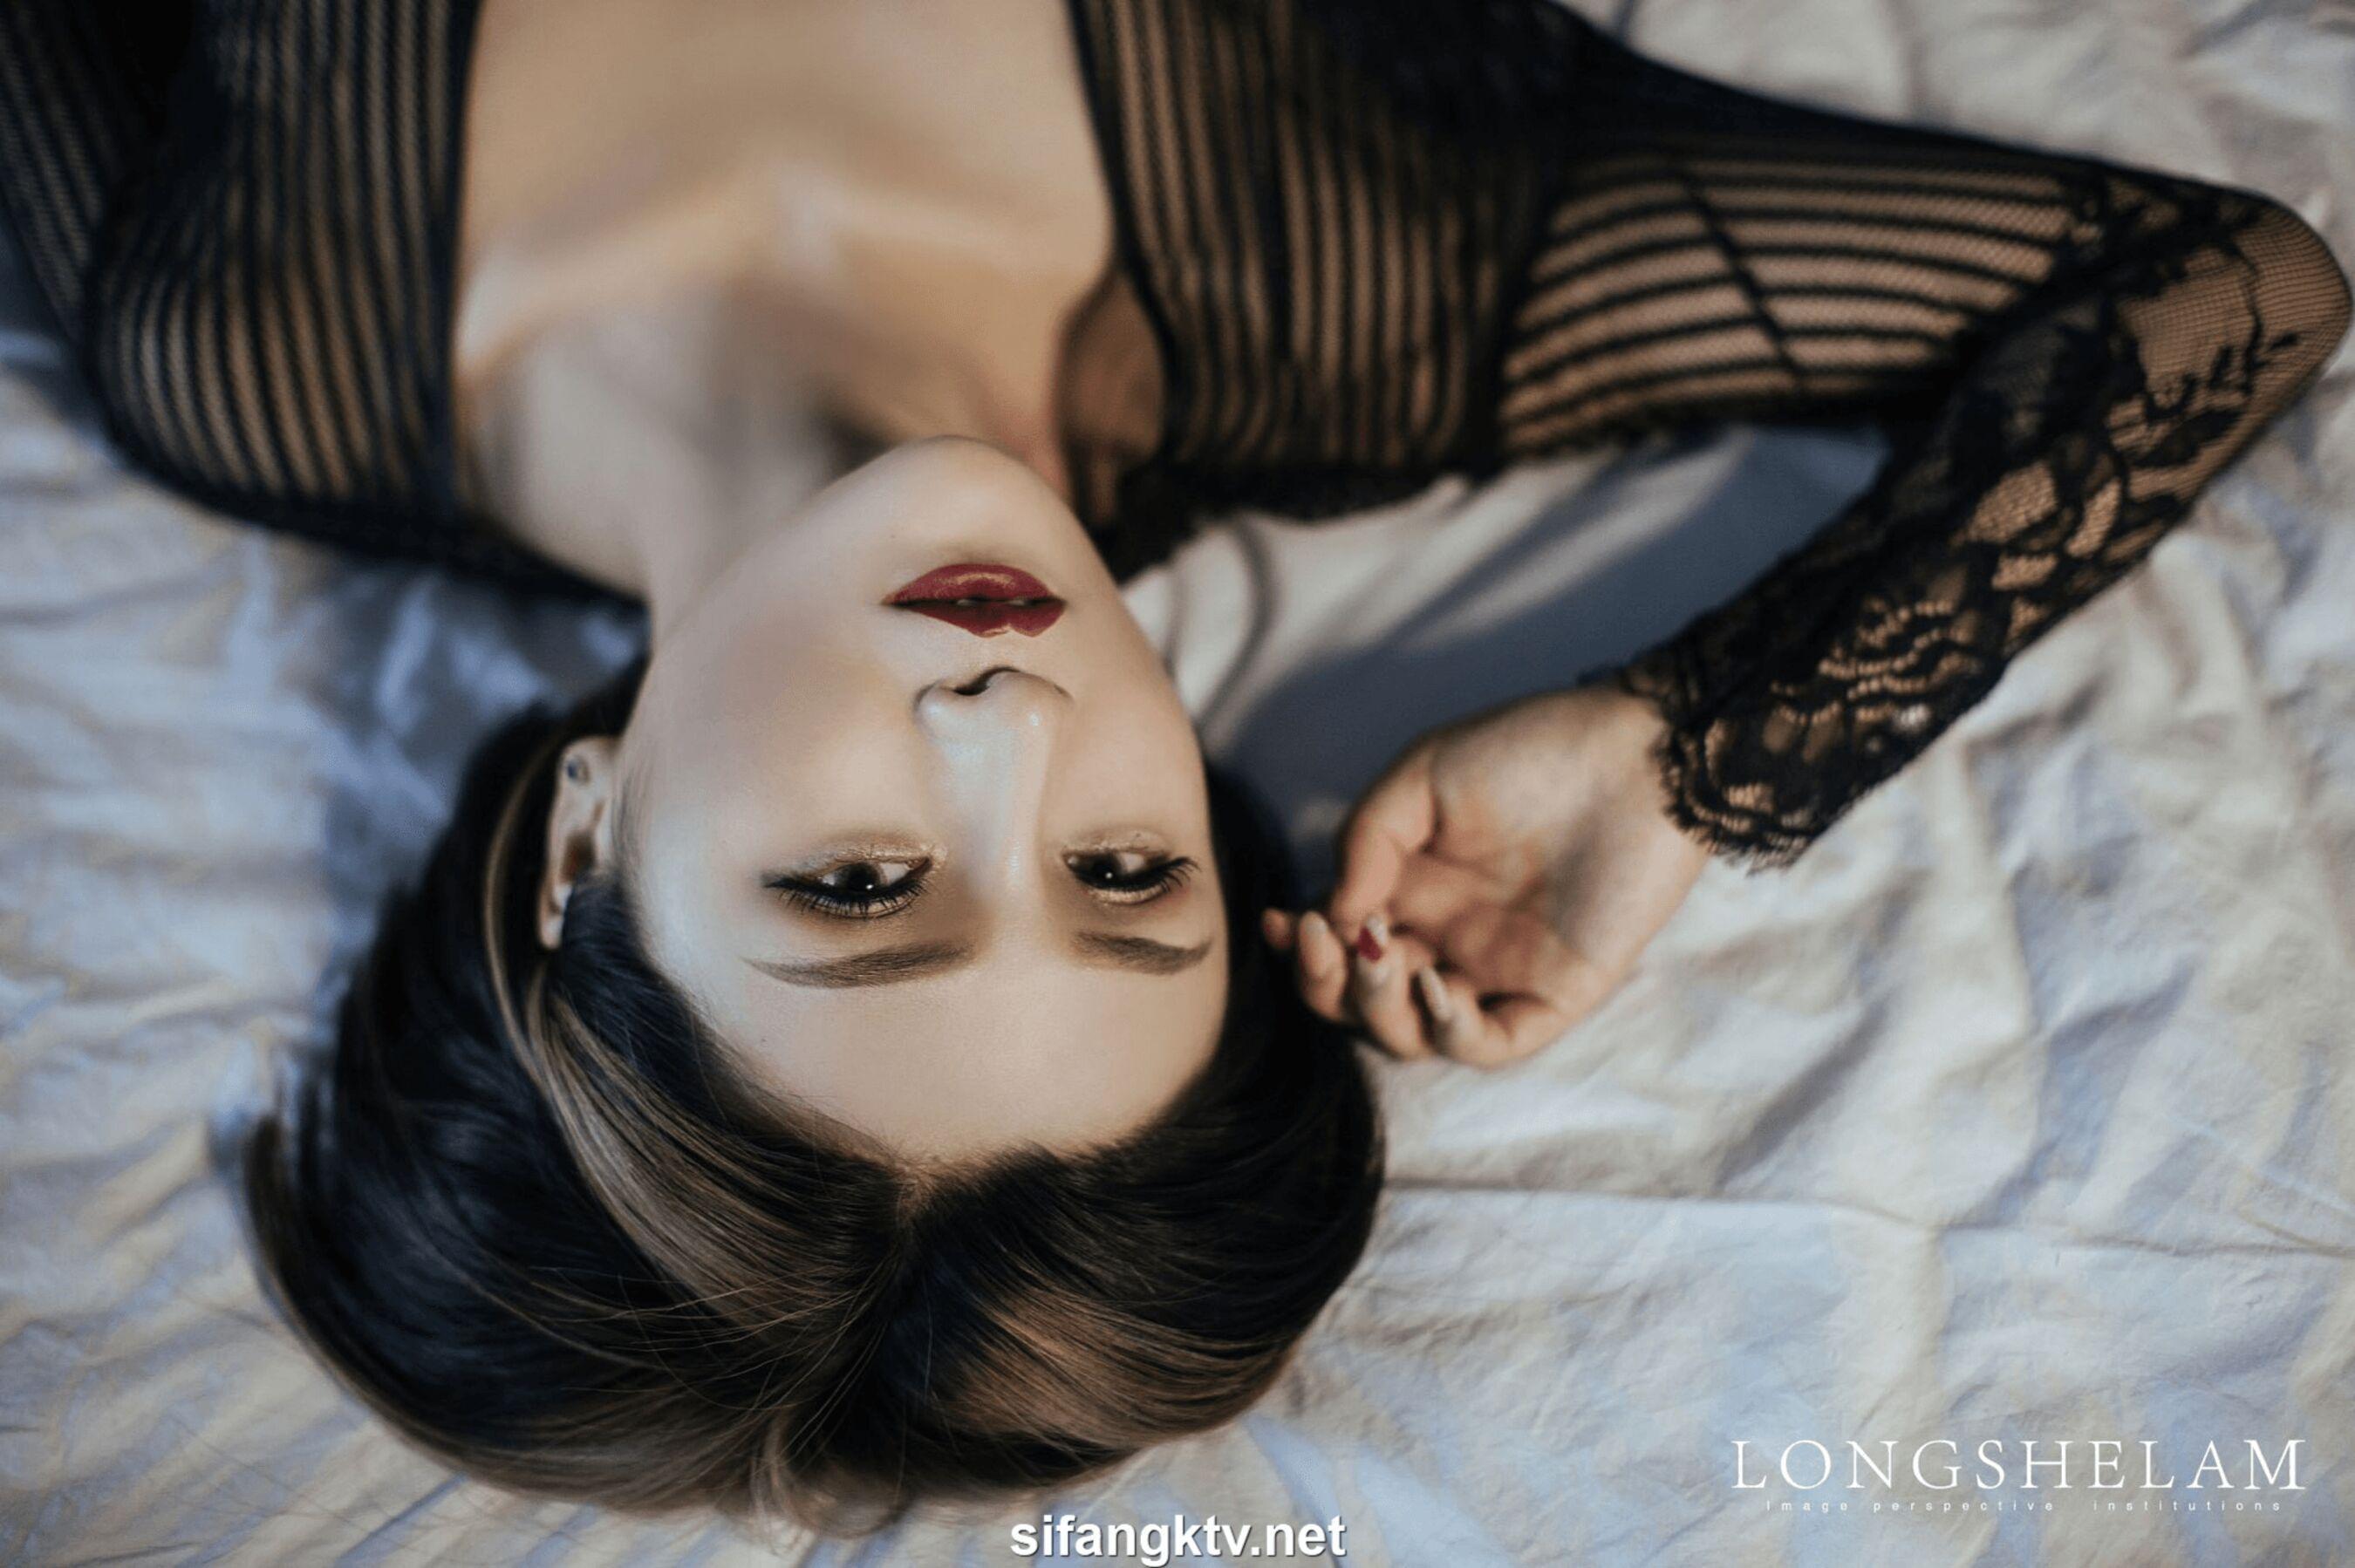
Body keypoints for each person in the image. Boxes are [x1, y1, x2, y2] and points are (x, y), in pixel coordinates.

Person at [0, 0, 2344, 1526]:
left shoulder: (241, 334)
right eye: (1125, 875)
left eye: (858, 889)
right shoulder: (1355, 284)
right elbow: (2223, 292)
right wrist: (1687, 756)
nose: (1008, 739)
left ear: (577, 849)